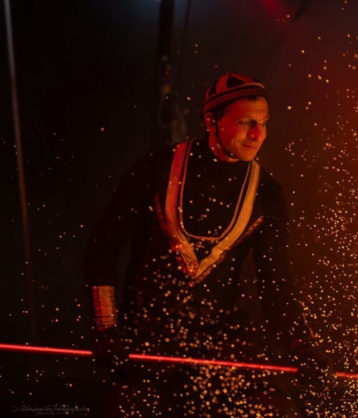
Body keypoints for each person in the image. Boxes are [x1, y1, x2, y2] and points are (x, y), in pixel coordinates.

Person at [85, 73, 333, 417]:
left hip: (221, 337)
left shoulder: (267, 194)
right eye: (246, 122)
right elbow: (103, 247)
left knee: (277, 409)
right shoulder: (156, 170)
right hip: (147, 336)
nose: (257, 134)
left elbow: (276, 282)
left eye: (263, 123)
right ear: (210, 121)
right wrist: (107, 328)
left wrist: (304, 348)